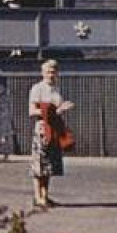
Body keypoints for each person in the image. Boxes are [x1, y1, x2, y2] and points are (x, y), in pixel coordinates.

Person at [28, 59, 74, 208]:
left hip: (54, 128)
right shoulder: (37, 88)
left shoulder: (56, 89)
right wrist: (52, 111)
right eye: (48, 72)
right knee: (39, 164)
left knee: (49, 165)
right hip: (42, 128)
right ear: (42, 73)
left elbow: (58, 107)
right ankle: (37, 196)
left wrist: (62, 108)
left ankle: (45, 195)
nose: (51, 74)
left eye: (53, 71)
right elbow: (32, 111)